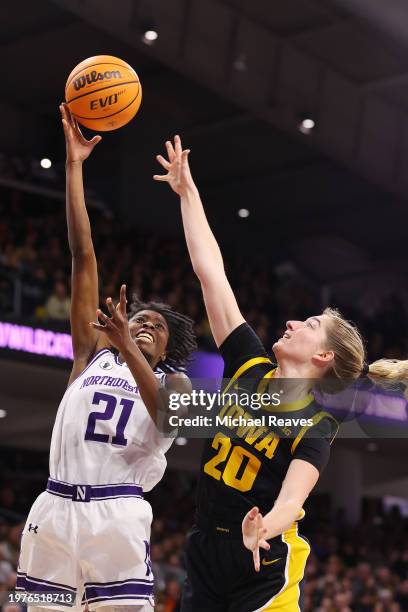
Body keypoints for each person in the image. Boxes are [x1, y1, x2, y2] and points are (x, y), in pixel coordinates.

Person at [154, 135, 407, 611]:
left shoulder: (317, 426)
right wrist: (188, 194)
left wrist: (263, 528)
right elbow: (212, 274)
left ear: (324, 357)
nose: (292, 322)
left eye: (310, 325)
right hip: (205, 548)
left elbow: (292, 501)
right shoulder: (249, 362)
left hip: (264, 562)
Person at [16, 107, 196, 612]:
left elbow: (163, 413)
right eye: (139, 318)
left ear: (165, 349)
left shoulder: (176, 383)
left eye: (156, 328)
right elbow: (83, 255)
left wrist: (125, 345)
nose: (144, 324)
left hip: (115, 513)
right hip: (53, 507)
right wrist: (74, 167)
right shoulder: (88, 357)